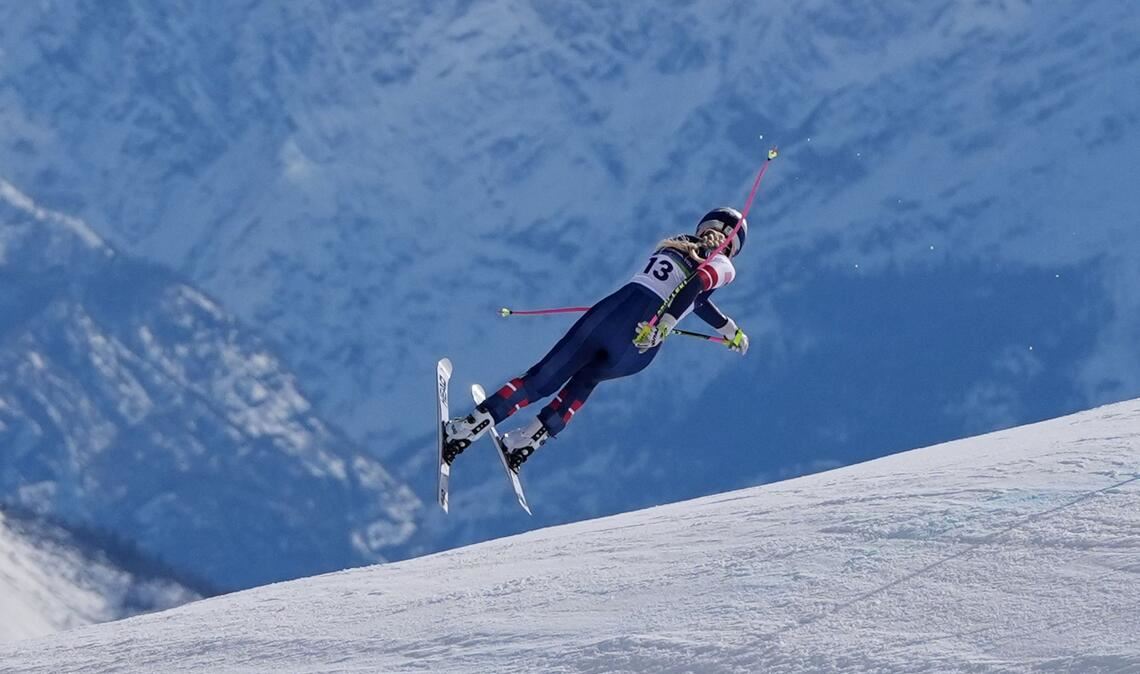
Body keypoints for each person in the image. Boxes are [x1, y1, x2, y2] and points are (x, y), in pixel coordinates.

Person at [443, 207, 750, 472]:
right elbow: (696, 292)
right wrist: (722, 329)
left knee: (543, 380)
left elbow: (694, 289)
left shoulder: (679, 243)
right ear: (734, 247)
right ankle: (527, 441)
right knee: (586, 381)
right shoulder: (723, 265)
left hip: (615, 314)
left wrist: (713, 326)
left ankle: (467, 429)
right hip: (641, 349)